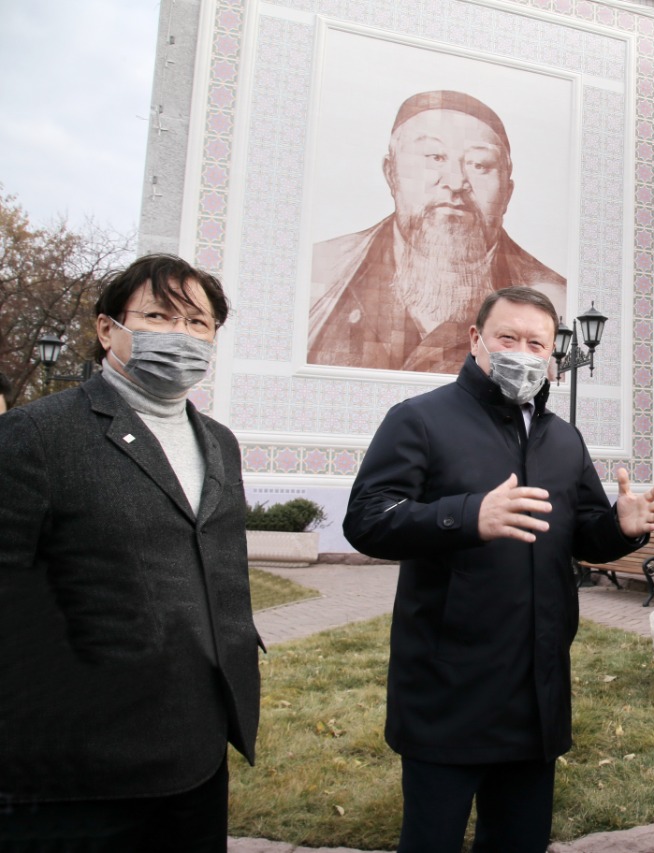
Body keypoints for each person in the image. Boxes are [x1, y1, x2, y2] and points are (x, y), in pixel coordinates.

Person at [343, 285, 654, 853]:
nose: (523, 351)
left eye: (537, 342)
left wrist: (622, 524)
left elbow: (586, 531)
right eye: (508, 338)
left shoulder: (563, 438)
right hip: (448, 689)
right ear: (476, 341)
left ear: (552, 354)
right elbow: (368, 519)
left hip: (535, 692)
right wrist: (469, 515)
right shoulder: (420, 419)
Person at [0, 254, 260, 851]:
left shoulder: (218, 441)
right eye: (159, 316)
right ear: (107, 329)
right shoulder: (37, 435)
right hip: (81, 765)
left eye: (199, 324)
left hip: (194, 745)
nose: (182, 335)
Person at [309, 90, 567, 373]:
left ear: (507, 191)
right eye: (434, 157)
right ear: (390, 173)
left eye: (479, 165)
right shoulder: (320, 273)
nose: (456, 182)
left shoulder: (555, 300)